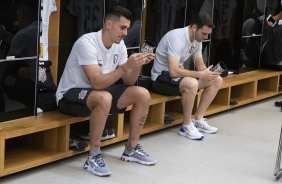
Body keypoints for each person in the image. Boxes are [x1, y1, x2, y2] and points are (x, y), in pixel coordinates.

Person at [55, 6, 156, 177]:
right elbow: (96, 82)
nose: (125, 33)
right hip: (70, 95)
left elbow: (129, 81)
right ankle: (93, 156)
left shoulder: (120, 45)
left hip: (101, 93)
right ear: (109, 24)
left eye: (127, 28)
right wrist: (125, 67)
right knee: (103, 97)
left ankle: (131, 148)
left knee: (142, 94)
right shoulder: (86, 43)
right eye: (122, 27)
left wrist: (136, 65)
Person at [151, 12, 222, 140]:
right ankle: (186, 125)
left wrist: (209, 73)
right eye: (204, 33)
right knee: (191, 83)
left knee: (216, 80)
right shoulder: (177, 37)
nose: (206, 37)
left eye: (208, 34)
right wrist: (200, 74)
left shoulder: (197, 39)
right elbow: (173, 71)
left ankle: (198, 119)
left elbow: (200, 64)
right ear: (194, 28)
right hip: (160, 78)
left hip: (177, 79)